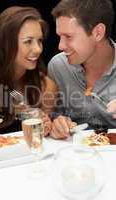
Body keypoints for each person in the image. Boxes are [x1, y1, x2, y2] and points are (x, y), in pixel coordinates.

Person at [0, 6, 58, 134]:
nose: (38, 49)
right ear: (6, 43)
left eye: (39, 41)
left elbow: (43, 141)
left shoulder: (46, 87)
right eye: (28, 41)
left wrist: (45, 127)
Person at [48, 0, 116, 139]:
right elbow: (53, 115)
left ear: (98, 33)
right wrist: (56, 124)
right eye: (60, 37)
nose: (60, 46)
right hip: (76, 155)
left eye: (68, 37)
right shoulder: (58, 66)